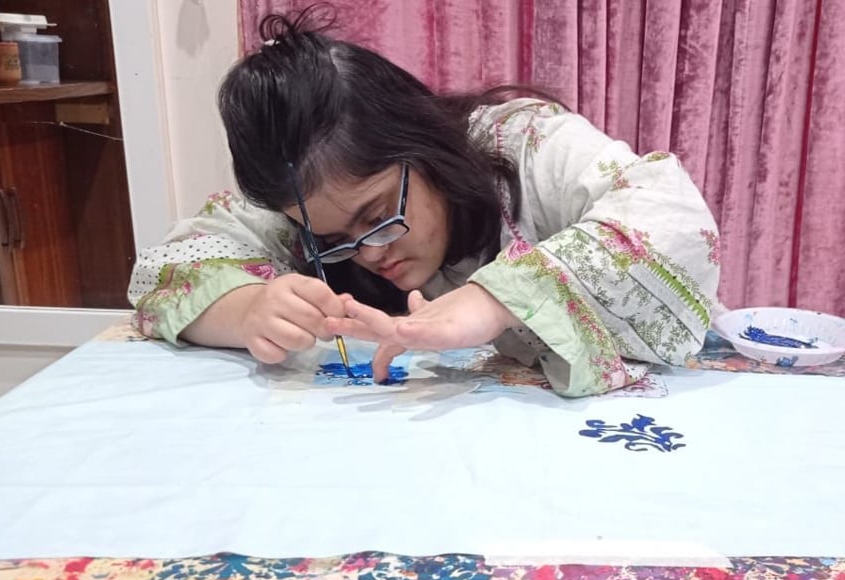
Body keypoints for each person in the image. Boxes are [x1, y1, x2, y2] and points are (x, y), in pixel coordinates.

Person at [127, 8, 722, 398]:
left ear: (426, 145)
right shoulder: (306, 209)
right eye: (333, 242)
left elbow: (671, 216)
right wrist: (250, 308)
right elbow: (168, 266)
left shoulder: (522, 143)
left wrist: (497, 299)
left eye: (378, 215)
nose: (367, 255)